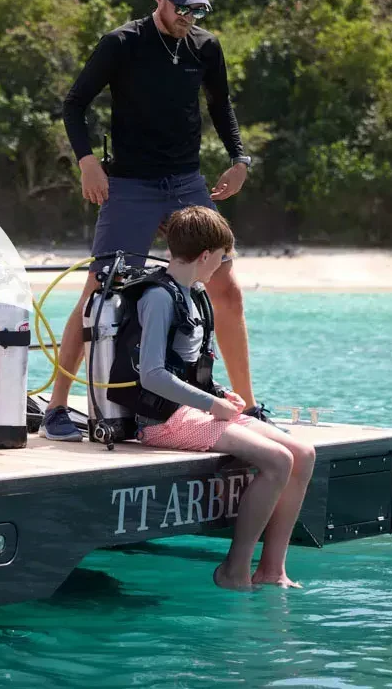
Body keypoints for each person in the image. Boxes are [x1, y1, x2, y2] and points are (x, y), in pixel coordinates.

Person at [41, 0, 259, 441]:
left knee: (226, 288)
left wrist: (240, 160)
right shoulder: (122, 43)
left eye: (197, 11)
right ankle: (57, 407)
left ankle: (247, 405)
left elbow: (220, 105)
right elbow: (74, 104)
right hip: (131, 185)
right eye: (181, 9)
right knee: (98, 293)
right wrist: (87, 162)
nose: (188, 18)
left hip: (185, 183)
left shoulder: (205, 46)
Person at [130, 206, 314, 590]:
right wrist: (211, 405)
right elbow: (152, 375)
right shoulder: (159, 298)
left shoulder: (195, 295)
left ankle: (272, 569)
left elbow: (189, 366)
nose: (223, 265)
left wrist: (217, 394)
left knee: (303, 453)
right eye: (222, 257)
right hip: (162, 421)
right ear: (205, 256)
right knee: (278, 460)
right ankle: (235, 569)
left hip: (193, 412)